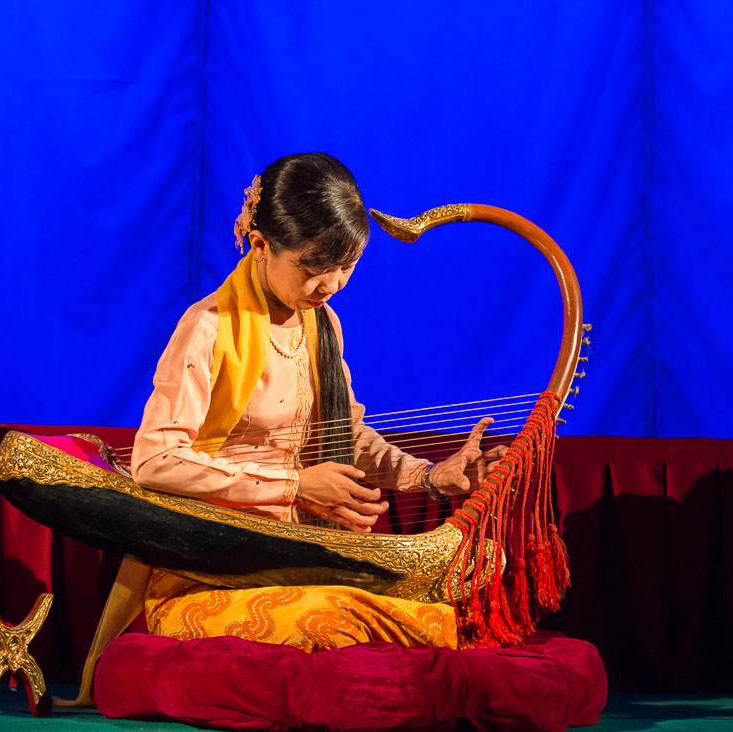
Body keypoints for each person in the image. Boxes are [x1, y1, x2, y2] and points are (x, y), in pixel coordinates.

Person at [130, 153, 500, 652]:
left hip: (302, 552)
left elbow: (340, 436)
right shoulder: (209, 328)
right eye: (316, 268)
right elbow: (155, 463)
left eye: (347, 267)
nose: (333, 285)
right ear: (260, 245)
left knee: (481, 569)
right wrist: (296, 484)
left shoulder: (321, 323)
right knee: (337, 623)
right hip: (213, 564)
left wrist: (429, 477)